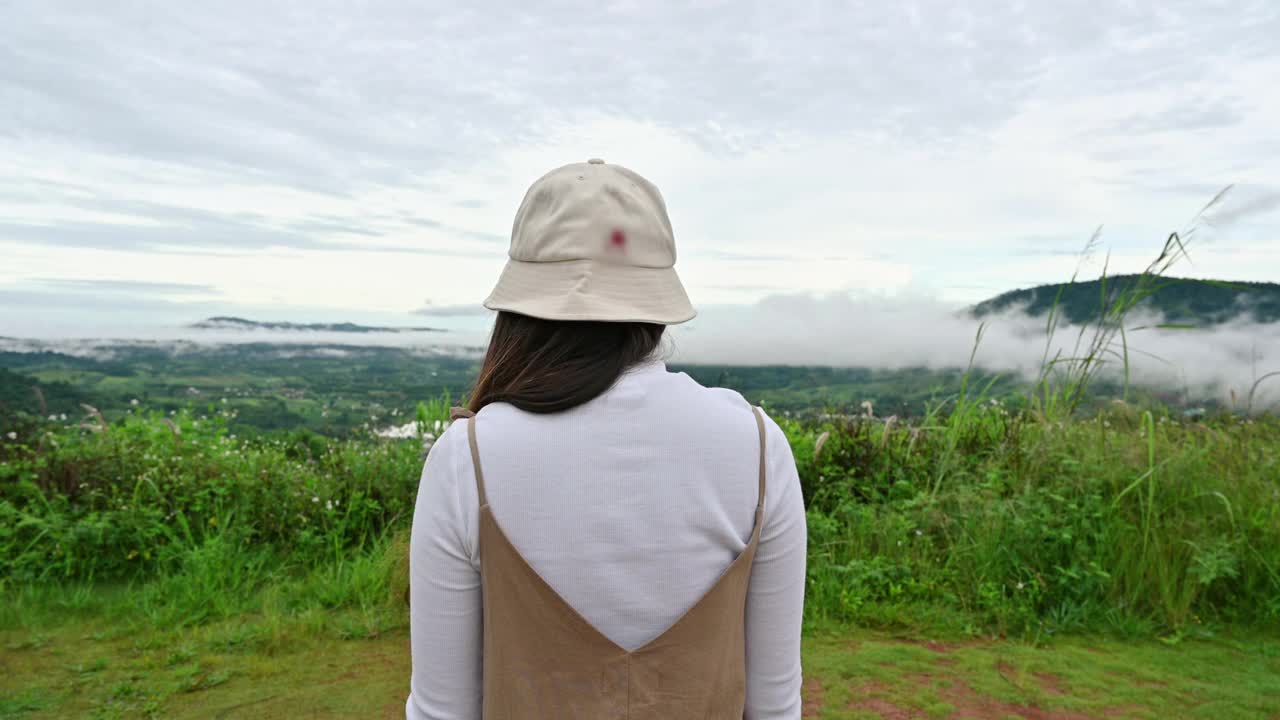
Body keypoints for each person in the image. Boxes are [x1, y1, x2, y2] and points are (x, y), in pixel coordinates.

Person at [406, 159, 807, 719]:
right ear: (656, 295)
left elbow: (441, 711)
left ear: (522, 300)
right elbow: (775, 706)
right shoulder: (760, 448)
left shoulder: (465, 460)